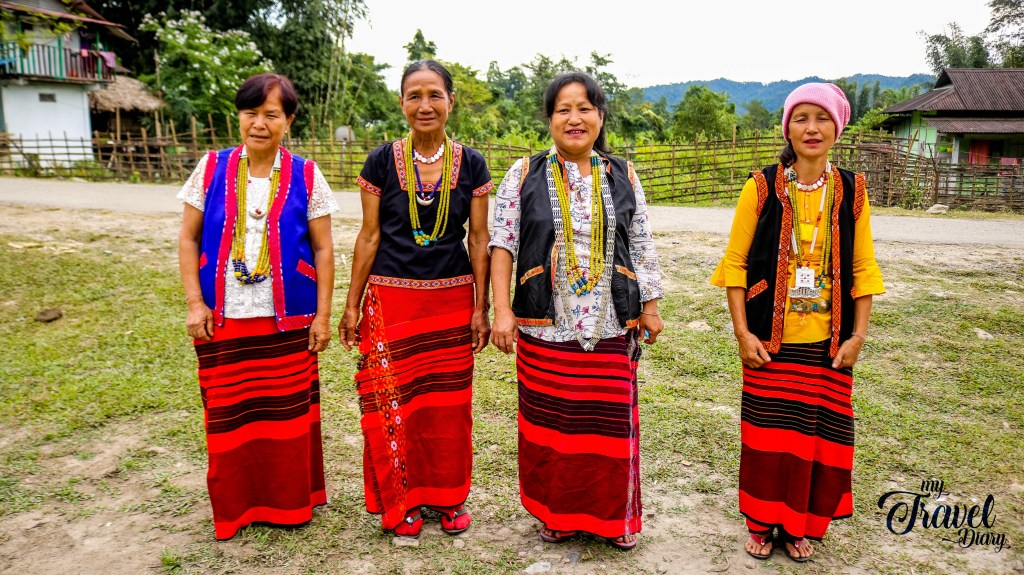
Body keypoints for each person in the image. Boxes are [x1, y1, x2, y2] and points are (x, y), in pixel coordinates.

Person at [489, 71, 664, 551]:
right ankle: (558, 514)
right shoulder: (523, 173)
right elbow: (502, 244)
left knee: (609, 423)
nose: (574, 118)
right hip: (546, 322)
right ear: (549, 119)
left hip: (610, 321)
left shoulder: (623, 174)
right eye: (563, 109)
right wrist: (501, 310)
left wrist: (649, 305)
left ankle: (613, 519)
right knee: (553, 422)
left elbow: (642, 241)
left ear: (600, 117)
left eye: (585, 108)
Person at [710, 83, 884, 562]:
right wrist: (743, 333)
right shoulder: (762, 186)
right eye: (801, 118)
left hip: (828, 346)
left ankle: (799, 525)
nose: (812, 128)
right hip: (770, 341)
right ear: (787, 127)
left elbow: (864, 268)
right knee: (768, 438)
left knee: (817, 436)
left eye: (822, 118)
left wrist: (858, 336)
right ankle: (763, 524)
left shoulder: (852, 189)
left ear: (838, 127)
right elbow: (736, 264)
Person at [177, 73, 337, 540]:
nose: (259, 123)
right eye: (251, 113)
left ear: (288, 121)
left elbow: (325, 249)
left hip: (287, 321)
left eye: (271, 114)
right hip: (224, 318)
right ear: (239, 117)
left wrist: (323, 317)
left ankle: (290, 504)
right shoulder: (211, 168)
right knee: (230, 415)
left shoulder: (307, 174)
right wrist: (194, 303)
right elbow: (188, 238)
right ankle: (237, 506)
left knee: (286, 417)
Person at [340, 59, 492, 539]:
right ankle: (399, 498)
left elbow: (480, 240)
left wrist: (480, 307)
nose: (424, 105)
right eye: (414, 96)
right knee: (392, 399)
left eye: (434, 95)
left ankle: (447, 498)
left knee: (447, 404)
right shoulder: (381, 161)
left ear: (451, 102)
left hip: (450, 302)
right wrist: (350, 306)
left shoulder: (472, 163)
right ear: (401, 103)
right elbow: (368, 237)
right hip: (390, 301)